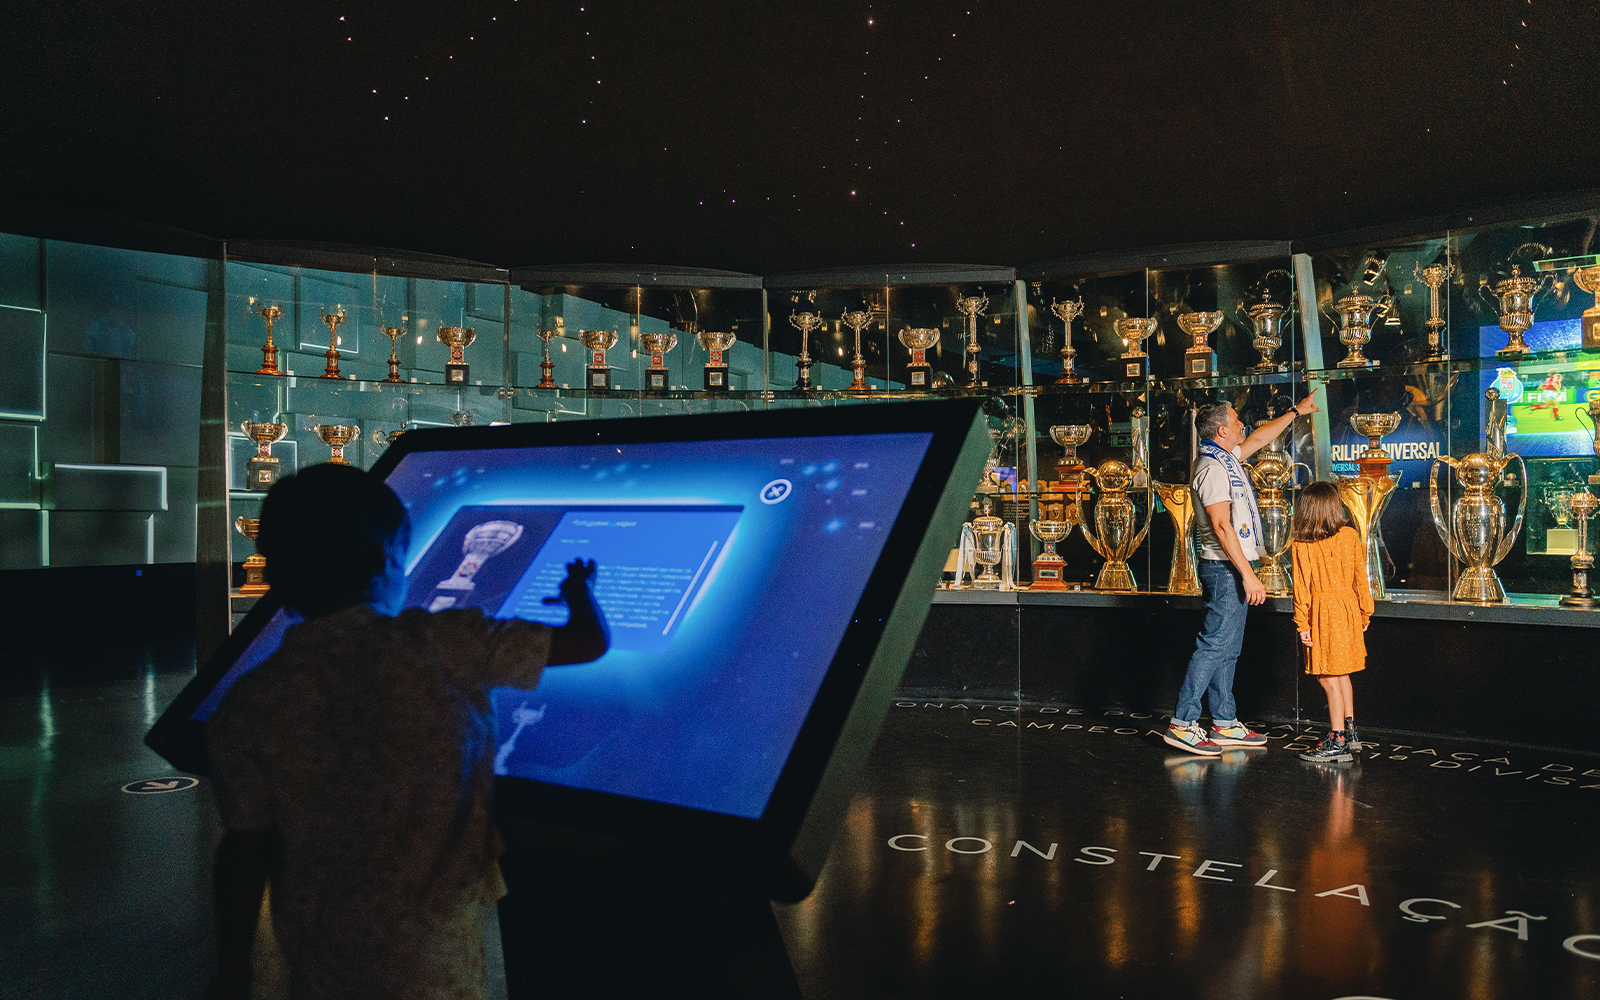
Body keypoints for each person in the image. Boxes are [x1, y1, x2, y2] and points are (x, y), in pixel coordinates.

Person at [205, 464, 609, 1000]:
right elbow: (587, 642)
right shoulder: (445, 643)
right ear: (389, 559)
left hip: (321, 955)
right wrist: (579, 590)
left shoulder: (251, 700)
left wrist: (234, 968)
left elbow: (245, 844)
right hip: (433, 958)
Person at [1165, 393, 1320, 756]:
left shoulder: (1226, 457)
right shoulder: (1211, 468)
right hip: (1224, 569)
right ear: (1221, 430)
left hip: (1230, 567)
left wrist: (1295, 412)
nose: (1242, 425)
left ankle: (1224, 722)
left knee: (1227, 649)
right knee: (1214, 645)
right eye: (1235, 421)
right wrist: (1249, 575)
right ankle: (1182, 724)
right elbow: (1222, 526)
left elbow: (1261, 438)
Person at [1290, 481, 1373, 763]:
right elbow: (1361, 577)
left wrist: (1302, 624)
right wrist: (1365, 612)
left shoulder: (1302, 545)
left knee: (1327, 676)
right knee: (1342, 673)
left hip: (1323, 614)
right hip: (1348, 609)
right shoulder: (1349, 535)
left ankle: (1337, 740)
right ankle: (1350, 732)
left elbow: (1301, 590)